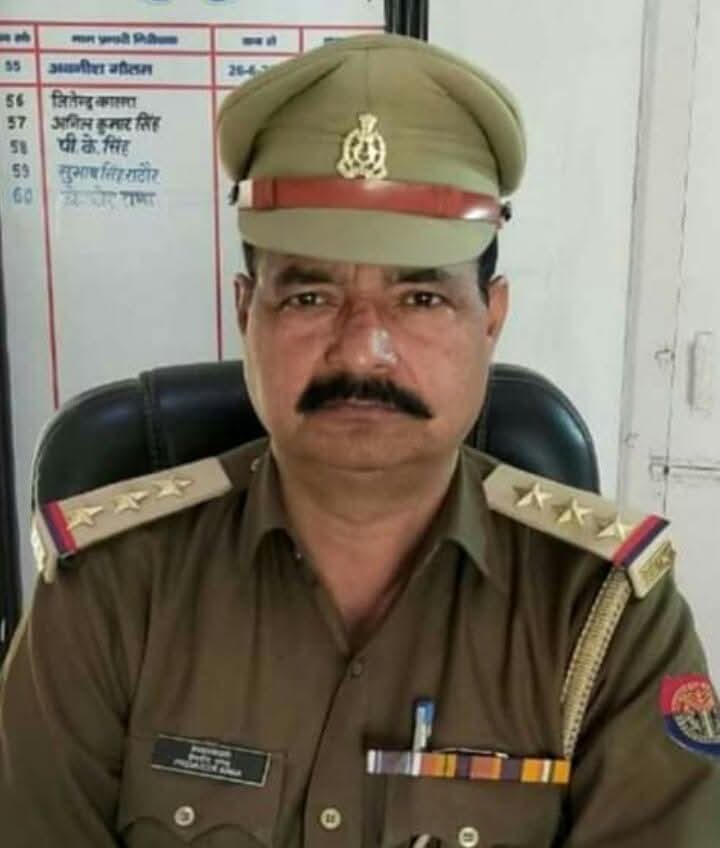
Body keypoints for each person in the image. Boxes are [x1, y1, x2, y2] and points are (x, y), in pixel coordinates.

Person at [1, 32, 719, 847]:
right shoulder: (107, 592)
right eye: (310, 297)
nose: (364, 350)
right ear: (245, 313)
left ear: (491, 319)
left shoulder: (606, 619)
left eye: (420, 299)